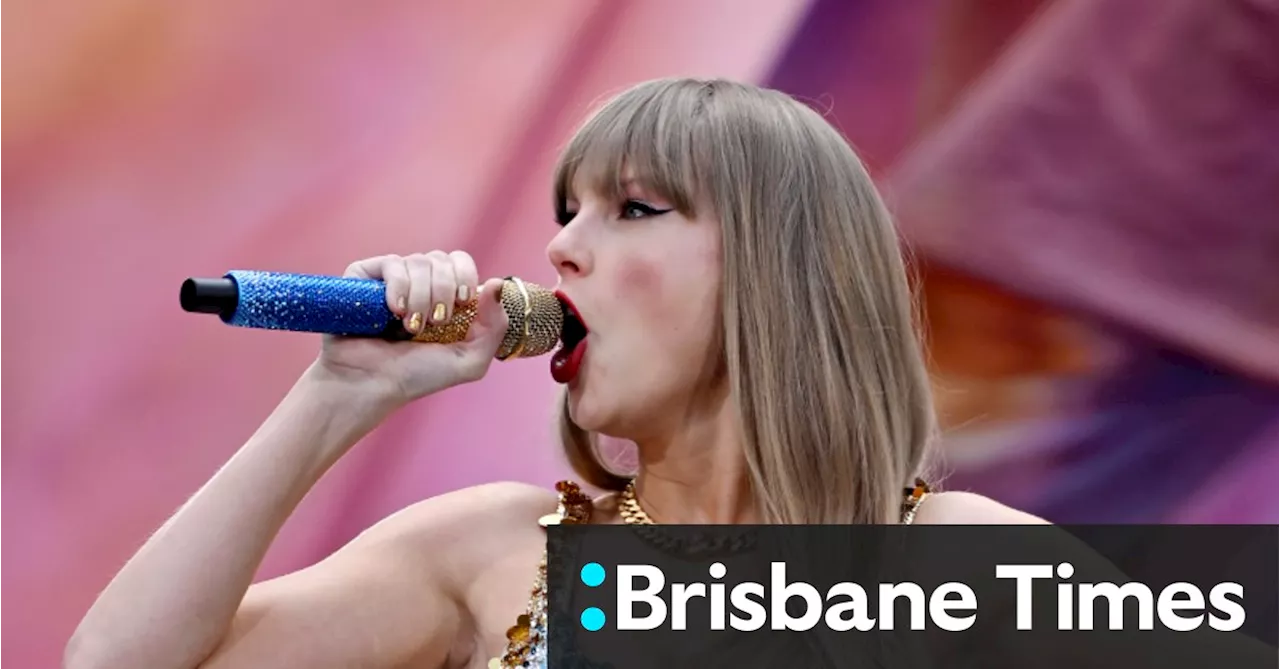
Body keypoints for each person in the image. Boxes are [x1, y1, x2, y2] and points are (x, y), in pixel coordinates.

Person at [65, 77, 1043, 669]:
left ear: (778, 267)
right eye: (566, 213)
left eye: (633, 209)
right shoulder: (486, 550)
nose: (560, 249)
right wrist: (337, 397)